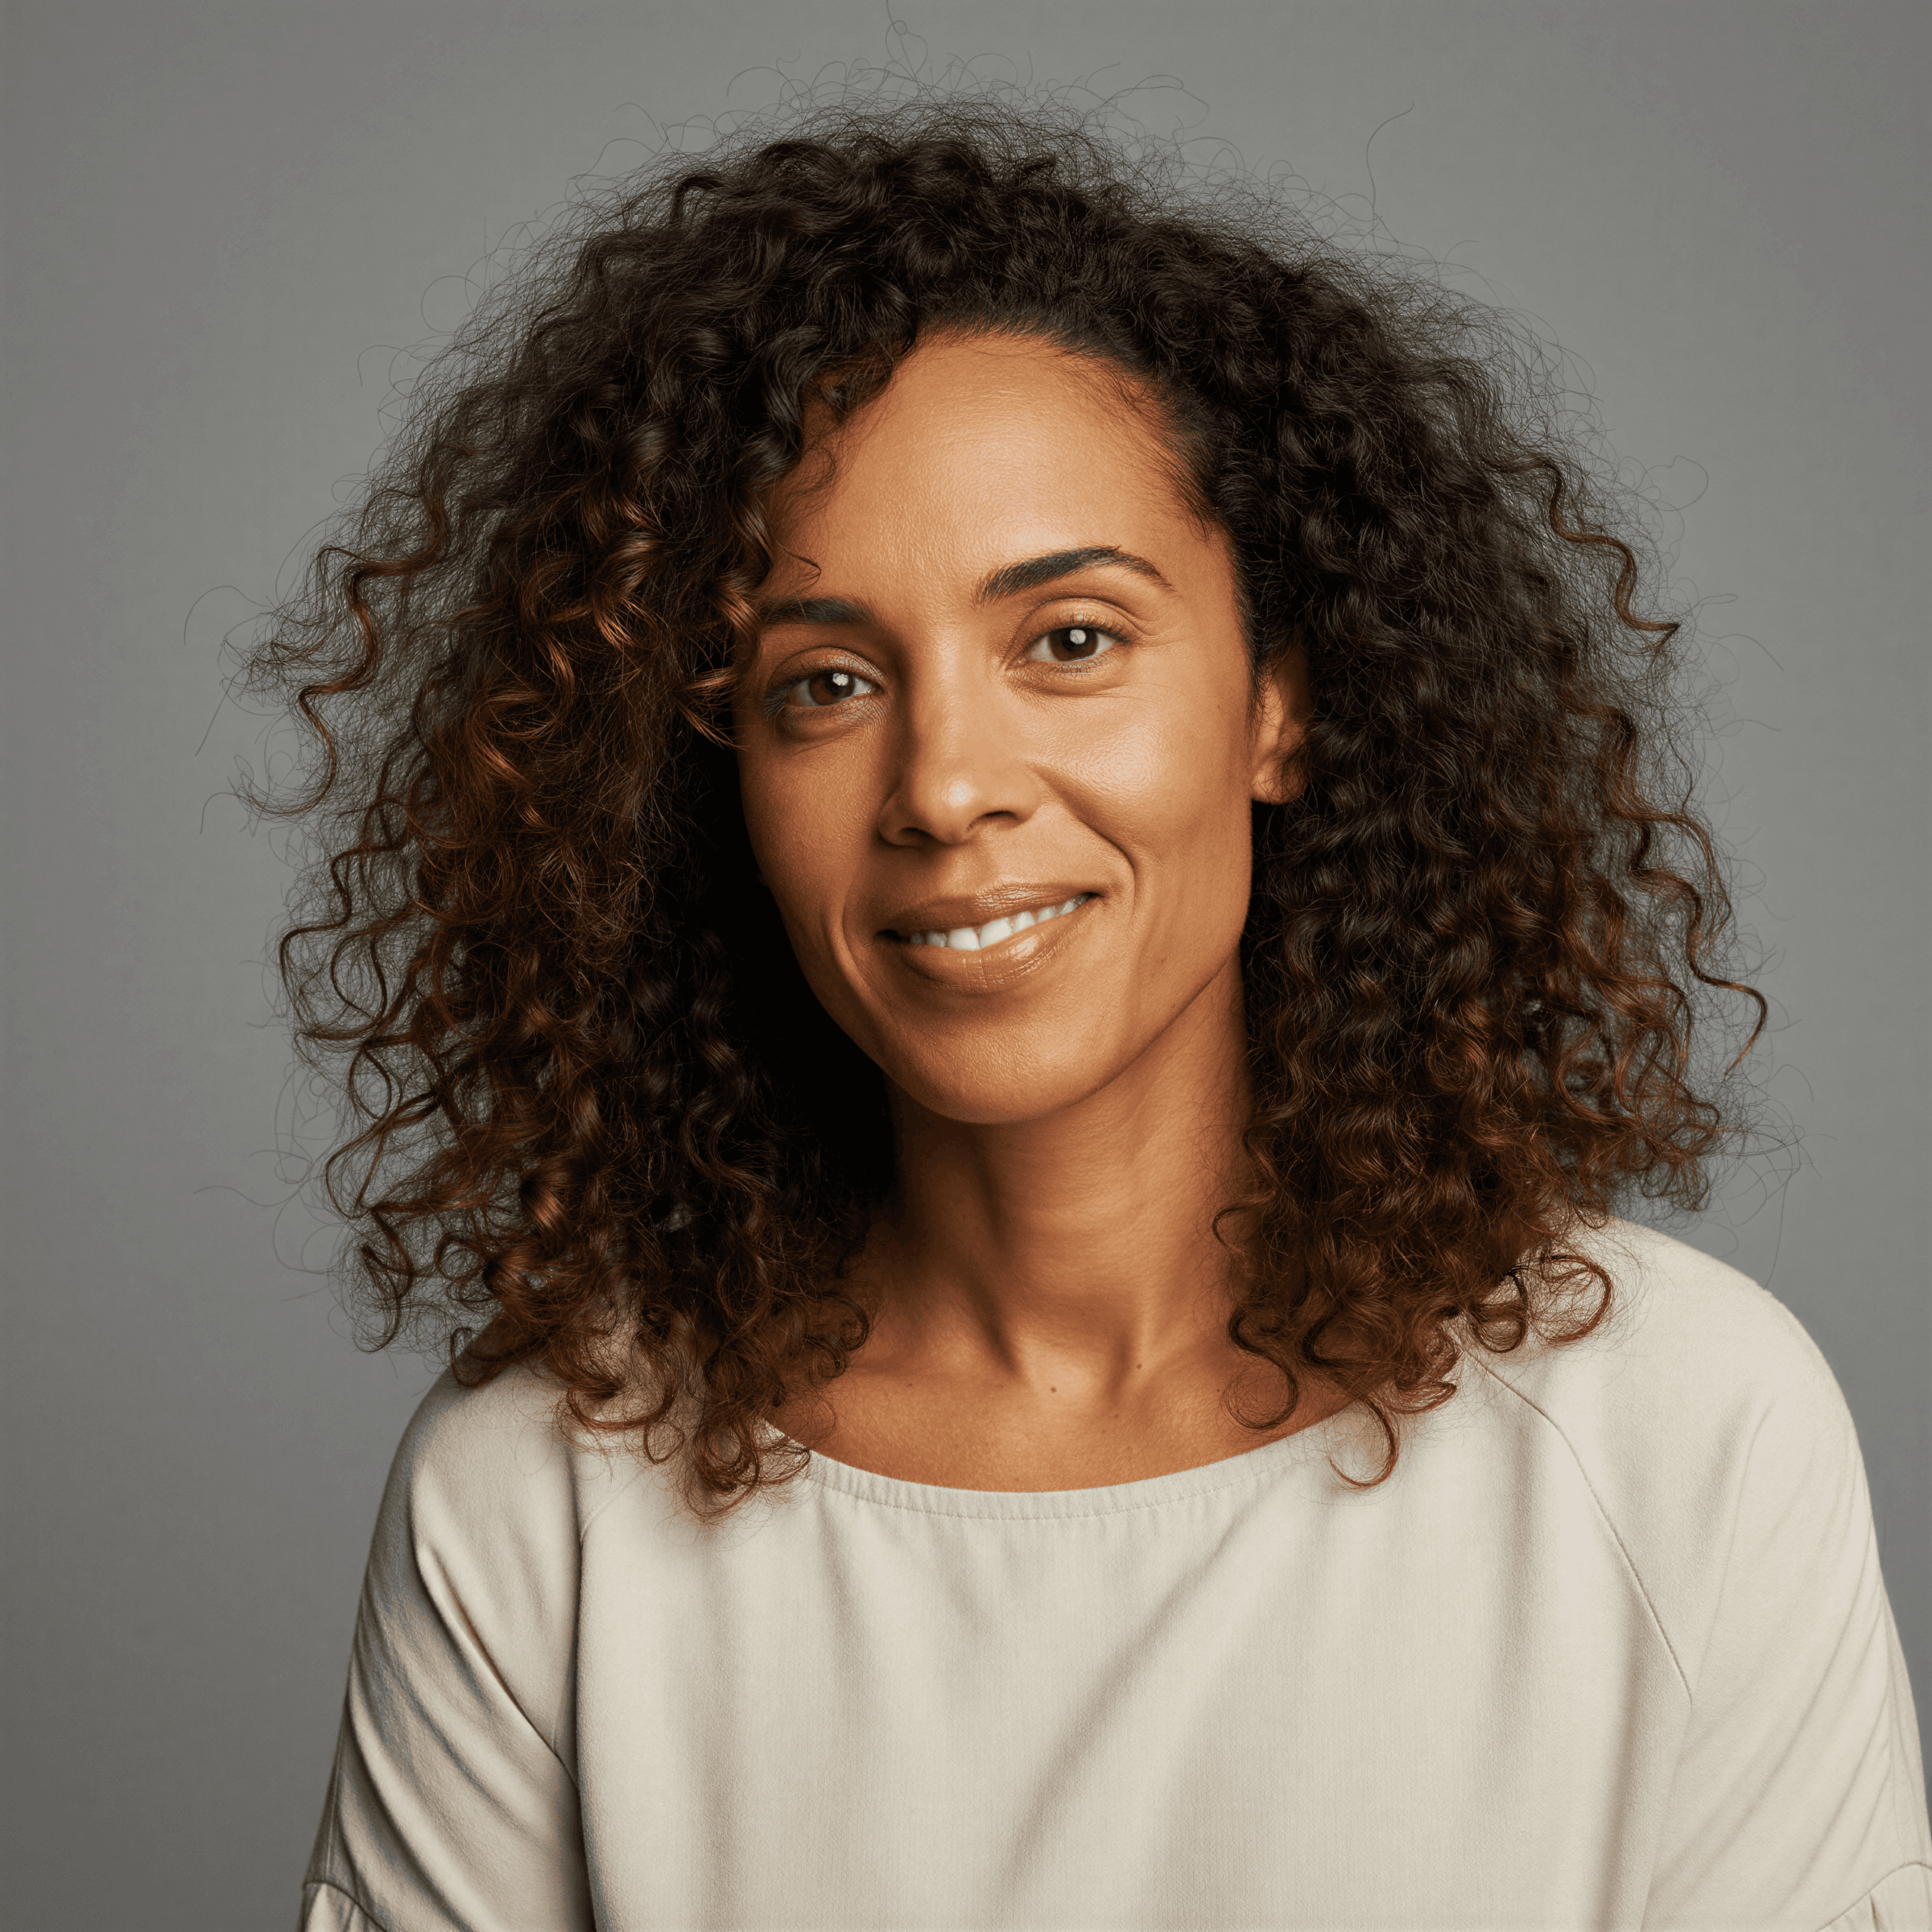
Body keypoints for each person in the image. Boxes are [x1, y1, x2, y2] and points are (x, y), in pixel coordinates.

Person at [261, 93, 1931, 1931]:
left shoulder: (1680, 1431)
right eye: (823, 680)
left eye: (1068, 640)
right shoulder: (542, 1496)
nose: (946, 785)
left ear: (1280, 702)